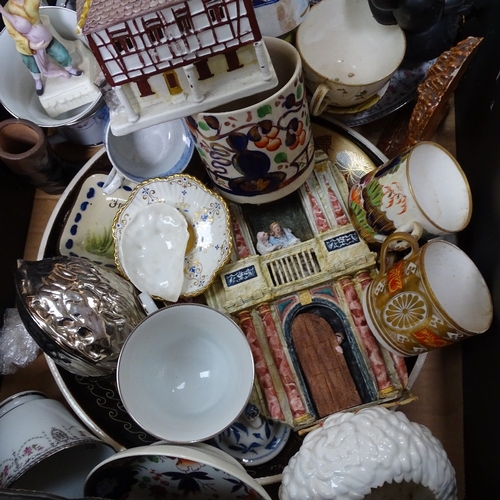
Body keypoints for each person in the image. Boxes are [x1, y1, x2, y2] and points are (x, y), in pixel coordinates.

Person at [0, 0, 82, 96]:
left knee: (61, 53)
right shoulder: (7, 11)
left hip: (46, 39)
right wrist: (32, 46)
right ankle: (38, 81)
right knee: (32, 65)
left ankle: (70, 68)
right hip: (27, 47)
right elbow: (14, 34)